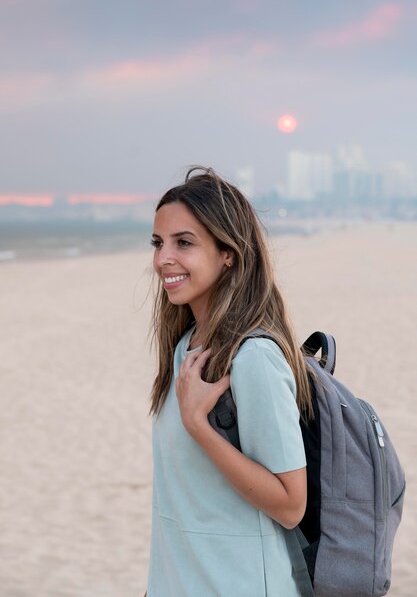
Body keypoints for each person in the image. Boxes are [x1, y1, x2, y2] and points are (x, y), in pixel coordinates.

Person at [144, 166, 313, 597]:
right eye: (158, 243)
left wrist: (199, 427)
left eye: (184, 243)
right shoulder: (185, 348)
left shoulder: (254, 358)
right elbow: (180, 502)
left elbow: (292, 505)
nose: (164, 258)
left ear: (229, 253)